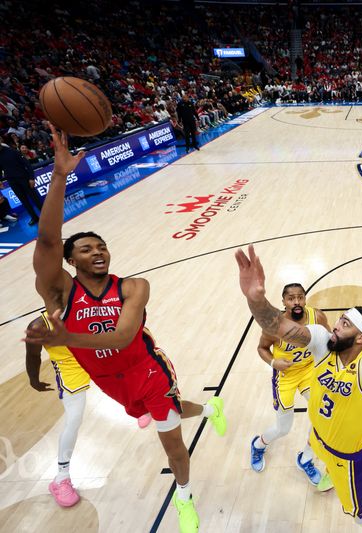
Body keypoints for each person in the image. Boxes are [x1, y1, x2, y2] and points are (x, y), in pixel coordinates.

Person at [25, 125, 226, 533]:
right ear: (71, 260)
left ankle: (184, 499)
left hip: (146, 369)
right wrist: (61, 175)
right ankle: (209, 408)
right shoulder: (61, 292)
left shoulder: (133, 287)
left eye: (101, 246)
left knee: (171, 440)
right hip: (109, 381)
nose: (97, 251)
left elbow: (121, 337)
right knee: (168, 413)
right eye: (86, 248)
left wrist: (65, 339)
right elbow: (46, 241)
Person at [236, 245, 362, 533]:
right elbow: (276, 325)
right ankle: (305, 457)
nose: (336, 325)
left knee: (361, 514)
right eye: (340, 319)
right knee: (311, 434)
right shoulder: (323, 342)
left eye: (346, 323)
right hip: (320, 436)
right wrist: (256, 300)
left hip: (349, 457)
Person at [25, 313, 152, 507]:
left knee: (124, 375)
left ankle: (136, 406)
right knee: (74, 419)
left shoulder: (85, 308)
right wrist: (34, 379)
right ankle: (61, 478)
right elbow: (33, 355)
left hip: (94, 356)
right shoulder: (38, 326)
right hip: (69, 367)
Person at [249, 283, 333, 491]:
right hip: (285, 376)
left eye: (300, 297)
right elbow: (261, 348)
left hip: (308, 372)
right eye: (291, 298)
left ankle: (305, 459)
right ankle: (258, 445)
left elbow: (331, 341)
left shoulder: (318, 317)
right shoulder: (274, 325)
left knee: (324, 417)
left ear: (305, 299)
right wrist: (273, 362)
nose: (296, 302)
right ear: (284, 302)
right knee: (283, 428)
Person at [0, 142, 41, 225]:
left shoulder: (12, 151)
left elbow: (27, 164)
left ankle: (46, 215)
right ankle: (34, 217)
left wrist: (31, 178)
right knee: (23, 200)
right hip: (12, 181)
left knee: (35, 198)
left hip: (24, 178)